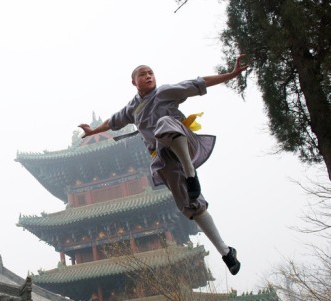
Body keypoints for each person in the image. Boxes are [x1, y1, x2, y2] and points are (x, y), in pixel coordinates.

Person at [78, 55, 248, 275]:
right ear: (134, 82)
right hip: (164, 157)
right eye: (143, 74)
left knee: (163, 123)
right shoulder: (132, 109)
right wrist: (93, 132)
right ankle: (226, 252)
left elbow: (199, 83)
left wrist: (231, 75)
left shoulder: (165, 92)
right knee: (190, 205)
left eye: (150, 73)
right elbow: (113, 121)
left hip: (184, 140)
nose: (148, 76)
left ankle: (190, 172)